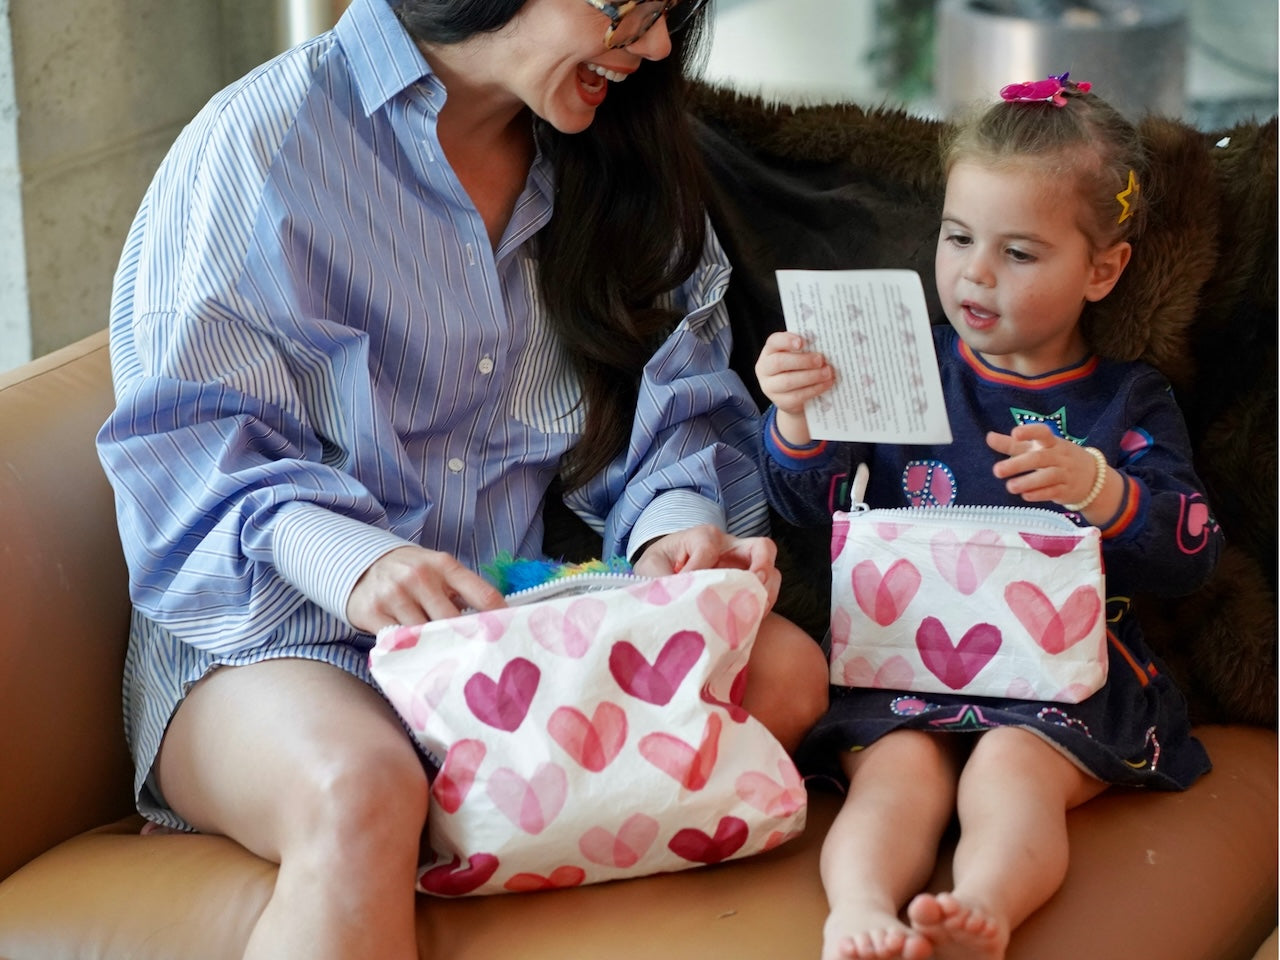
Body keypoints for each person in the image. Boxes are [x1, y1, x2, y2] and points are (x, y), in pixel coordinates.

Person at [95, 1, 829, 957]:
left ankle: (471, 826)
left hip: (506, 631)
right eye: (631, 8)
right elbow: (187, 443)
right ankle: (395, 818)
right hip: (276, 632)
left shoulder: (620, 150)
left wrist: (671, 533)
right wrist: (358, 563)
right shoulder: (261, 143)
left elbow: (674, 400)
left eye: (667, 15)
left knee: (786, 675)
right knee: (362, 790)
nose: (654, 45)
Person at [754, 75, 1222, 960]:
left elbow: (1191, 550)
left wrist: (1099, 488)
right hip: (904, 661)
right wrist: (797, 419)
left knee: (1011, 772)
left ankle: (982, 910)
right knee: (895, 777)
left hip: (1061, 681)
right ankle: (857, 911)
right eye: (959, 236)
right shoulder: (904, 362)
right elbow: (809, 512)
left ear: (1102, 270)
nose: (974, 273)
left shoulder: (1126, 401)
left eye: (1019, 253)